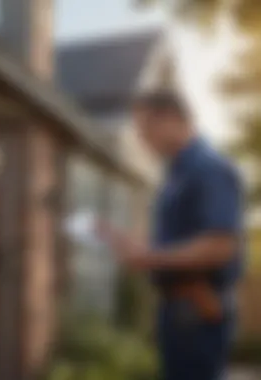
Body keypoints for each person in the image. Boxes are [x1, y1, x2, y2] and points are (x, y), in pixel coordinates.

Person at [97, 90, 245, 380]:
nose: (141, 140)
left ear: (171, 119)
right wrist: (128, 244)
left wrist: (150, 257)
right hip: (178, 310)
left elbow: (220, 246)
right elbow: (175, 245)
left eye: (146, 129)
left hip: (196, 309)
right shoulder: (177, 174)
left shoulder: (208, 169)